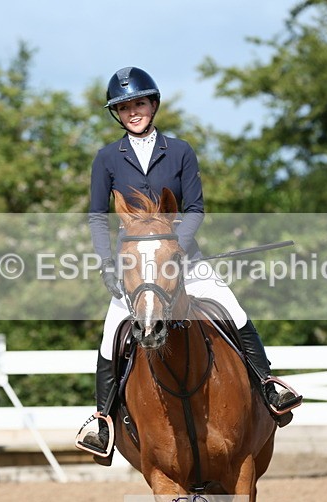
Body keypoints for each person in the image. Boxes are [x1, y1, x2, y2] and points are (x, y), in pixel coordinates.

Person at [79, 66, 300, 456]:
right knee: (112, 333)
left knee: (233, 309)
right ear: (117, 113)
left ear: (153, 104)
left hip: (183, 259)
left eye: (140, 103)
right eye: (125, 106)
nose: (133, 111)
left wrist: (175, 250)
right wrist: (105, 264)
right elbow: (98, 215)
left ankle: (268, 385)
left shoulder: (179, 151)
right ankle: (103, 420)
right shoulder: (106, 159)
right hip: (134, 269)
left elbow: (195, 208)